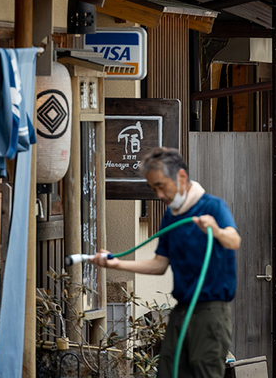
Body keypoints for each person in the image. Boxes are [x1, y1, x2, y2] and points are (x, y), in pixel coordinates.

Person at [85, 147, 241, 378]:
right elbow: (159, 264)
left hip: (211, 311)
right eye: (153, 188)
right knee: (168, 370)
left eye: (160, 185)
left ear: (181, 177)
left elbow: (234, 240)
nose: (158, 195)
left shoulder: (212, 206)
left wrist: (216, 230)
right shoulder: (171, 215)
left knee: (204, 371)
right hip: (181, 309)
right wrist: (117, 264)